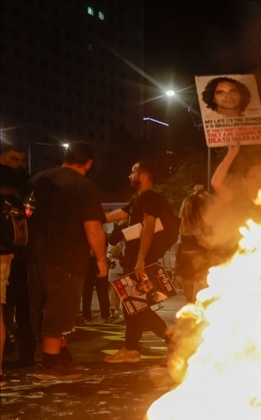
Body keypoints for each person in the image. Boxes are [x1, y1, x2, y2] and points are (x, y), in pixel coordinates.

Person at [26, 141, 108, 379]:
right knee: (60, 309)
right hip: (66, 257)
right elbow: (93, 228)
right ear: (88, 163)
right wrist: (101, 260)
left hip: (34, 255)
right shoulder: (84, 186)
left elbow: (26, 214)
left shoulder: (37, 180)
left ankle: (62, 355)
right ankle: (49, 362)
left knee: (44, 307)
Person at [103, 160, 176, 364]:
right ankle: (132, 348)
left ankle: (169, 340)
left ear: (143, 176)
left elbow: (149, 227)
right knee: (133, 307)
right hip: (136, 260)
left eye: (132, 172)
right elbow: (114, 215)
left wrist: (141, 259)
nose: (129, 176)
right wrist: (91, 217)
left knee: (137, 306)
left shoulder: (151, 198)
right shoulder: (138, 200)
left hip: (141, 261)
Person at [1, 140, 29, 383]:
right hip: (9, 253)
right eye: (13, 159)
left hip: (8, 254)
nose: (18, 165)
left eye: (21, 160)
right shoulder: (17, 184)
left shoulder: (19, 184)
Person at [176, 185, 211, 303]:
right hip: (201, 260)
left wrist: (177, 263)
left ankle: (188, 320)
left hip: (185, 260)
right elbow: (218, 205)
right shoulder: (204, 222)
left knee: (189, 300)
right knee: (203, 299)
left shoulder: (182, 223)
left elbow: (179, 245)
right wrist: (204, 193)